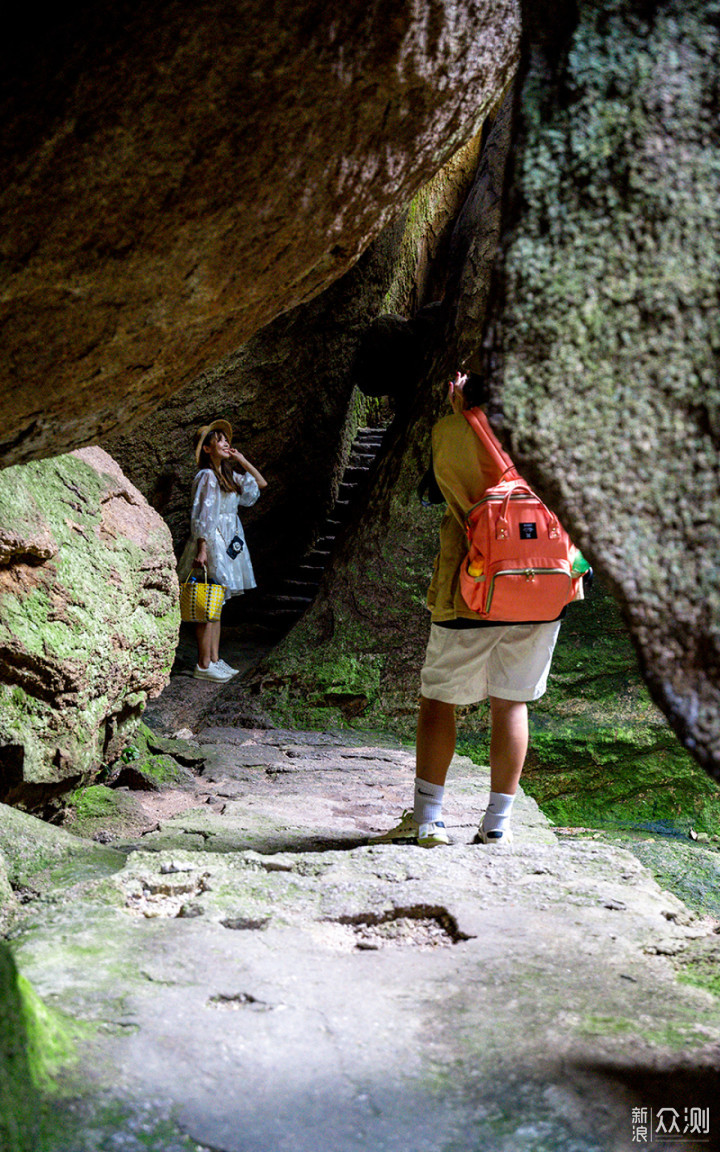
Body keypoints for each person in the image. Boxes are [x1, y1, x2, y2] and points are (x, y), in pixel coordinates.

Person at [375, 372, 566, 847]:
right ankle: (498, 821)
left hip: (472, 587)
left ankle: (429, 819)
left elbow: (434, 490)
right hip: (543, 587)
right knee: (512, 700)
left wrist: (460, 408)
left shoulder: (452, 430)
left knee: (439, 699)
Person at [180, 419, 267, 682]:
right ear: (207, 449)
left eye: (226, 440)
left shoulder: (228, 475)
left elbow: (259, 485)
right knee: (208, 602)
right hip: (213, 540)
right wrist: (203, 548)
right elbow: (202, 514)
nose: (225, 443)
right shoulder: (206, 476)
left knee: (217, 603)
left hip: (230, 539)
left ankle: (215, 660)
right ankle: (204, 664)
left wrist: (241, 459)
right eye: (219, 440)